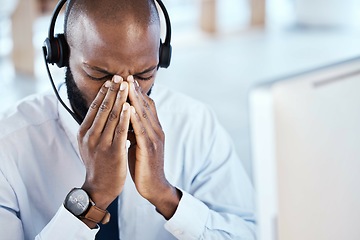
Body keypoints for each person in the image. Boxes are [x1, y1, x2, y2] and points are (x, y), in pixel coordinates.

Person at [0, 0, 255, 239]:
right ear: (60, 54)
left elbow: (249, 232)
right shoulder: (8, 145)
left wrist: (165, 195)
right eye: (98, 74)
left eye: (144, 75)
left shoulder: (195, 125)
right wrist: (92, 197)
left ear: (161, 58)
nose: (123, 94)